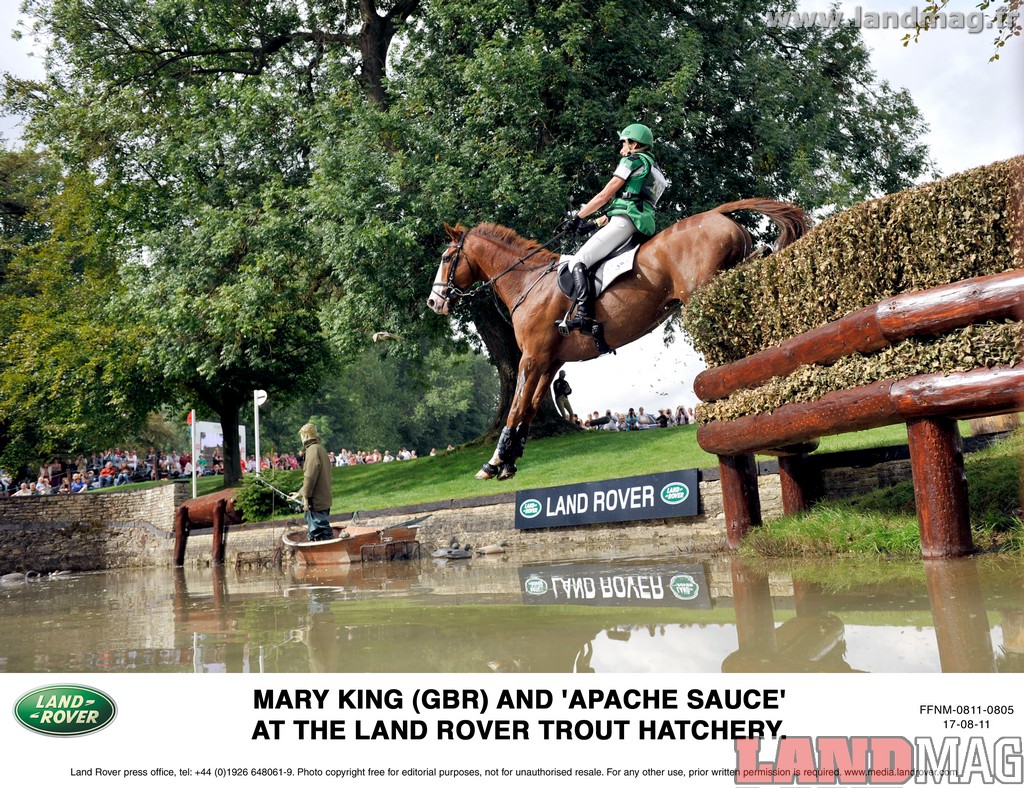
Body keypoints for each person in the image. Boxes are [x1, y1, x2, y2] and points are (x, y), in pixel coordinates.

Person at [557, 123, 665, 341]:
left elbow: (604, 195)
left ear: (634, 144)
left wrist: (577, 217)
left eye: (624, 143)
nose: (621, 148)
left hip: (625, 222)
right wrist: (592, 224)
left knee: (579, 260)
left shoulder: (631, 160)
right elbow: (630, 201)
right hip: (641, 225)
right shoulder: (656, 170)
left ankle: (584, 316)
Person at [290, 422, 335, 542]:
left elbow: (310, 476)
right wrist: (300, 493)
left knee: (320, 532)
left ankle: (330, 550)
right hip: (323, 499)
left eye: (301, 436)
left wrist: (305, 496)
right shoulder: (320, 448)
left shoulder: (312, 450)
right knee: (321, 531)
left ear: (305, 435)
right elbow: (315, 476)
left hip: (316, 502)